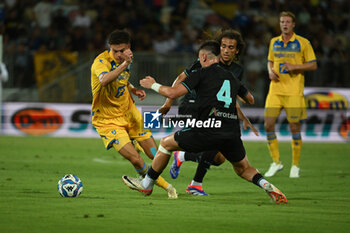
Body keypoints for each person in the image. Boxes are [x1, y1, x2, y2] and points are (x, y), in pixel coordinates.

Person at [122, 40, 288, 204]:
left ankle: (146, 184)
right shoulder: (231, 77)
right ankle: (267, 185)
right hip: (231, 132)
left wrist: (153, 84)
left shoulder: (201, 73)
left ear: (203, 57)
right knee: (243, 168)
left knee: (166, 144)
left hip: (208, 128)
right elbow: (249, 99)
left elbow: (173, 92)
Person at [158, 29, 259, 196]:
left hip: (214, 111)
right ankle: (195, 184)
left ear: (237, 50)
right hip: (193, 105)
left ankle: (181, 156)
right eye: (223, 46)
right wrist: (168, 102)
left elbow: (228, 98)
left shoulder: (236, 70)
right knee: (216, 136)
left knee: (219, 159)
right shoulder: (203, 61)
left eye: (231, 47)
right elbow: (180, 79)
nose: (226, 50)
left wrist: (242, 117)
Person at [90, 29, 177, 198]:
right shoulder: (101, 62)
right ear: (110, 47)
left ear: (128, 47)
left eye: (122, 51)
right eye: (114, 51)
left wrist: (133, 89)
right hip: (108, 121)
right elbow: (105, 79)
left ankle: (140, 149)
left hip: (130, 114)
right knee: (137, 159)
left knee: (156, 154)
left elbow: (121, 79)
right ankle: (160, 187)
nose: (117, 54)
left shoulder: (127, 59)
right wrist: (124, 62)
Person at [264, 11, 317, 178]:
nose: (284, 24)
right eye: (282, 22)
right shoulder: (274, 42)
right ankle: (276, 162)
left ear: (293, 24)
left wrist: (295, 67)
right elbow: (270, 60)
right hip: (275, 90)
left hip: (294, 91)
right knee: (268, 125)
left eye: (287, 22)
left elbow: (313, 65)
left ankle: (295, 165)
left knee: (294, 126)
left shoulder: (303, 43)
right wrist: (270, 71)